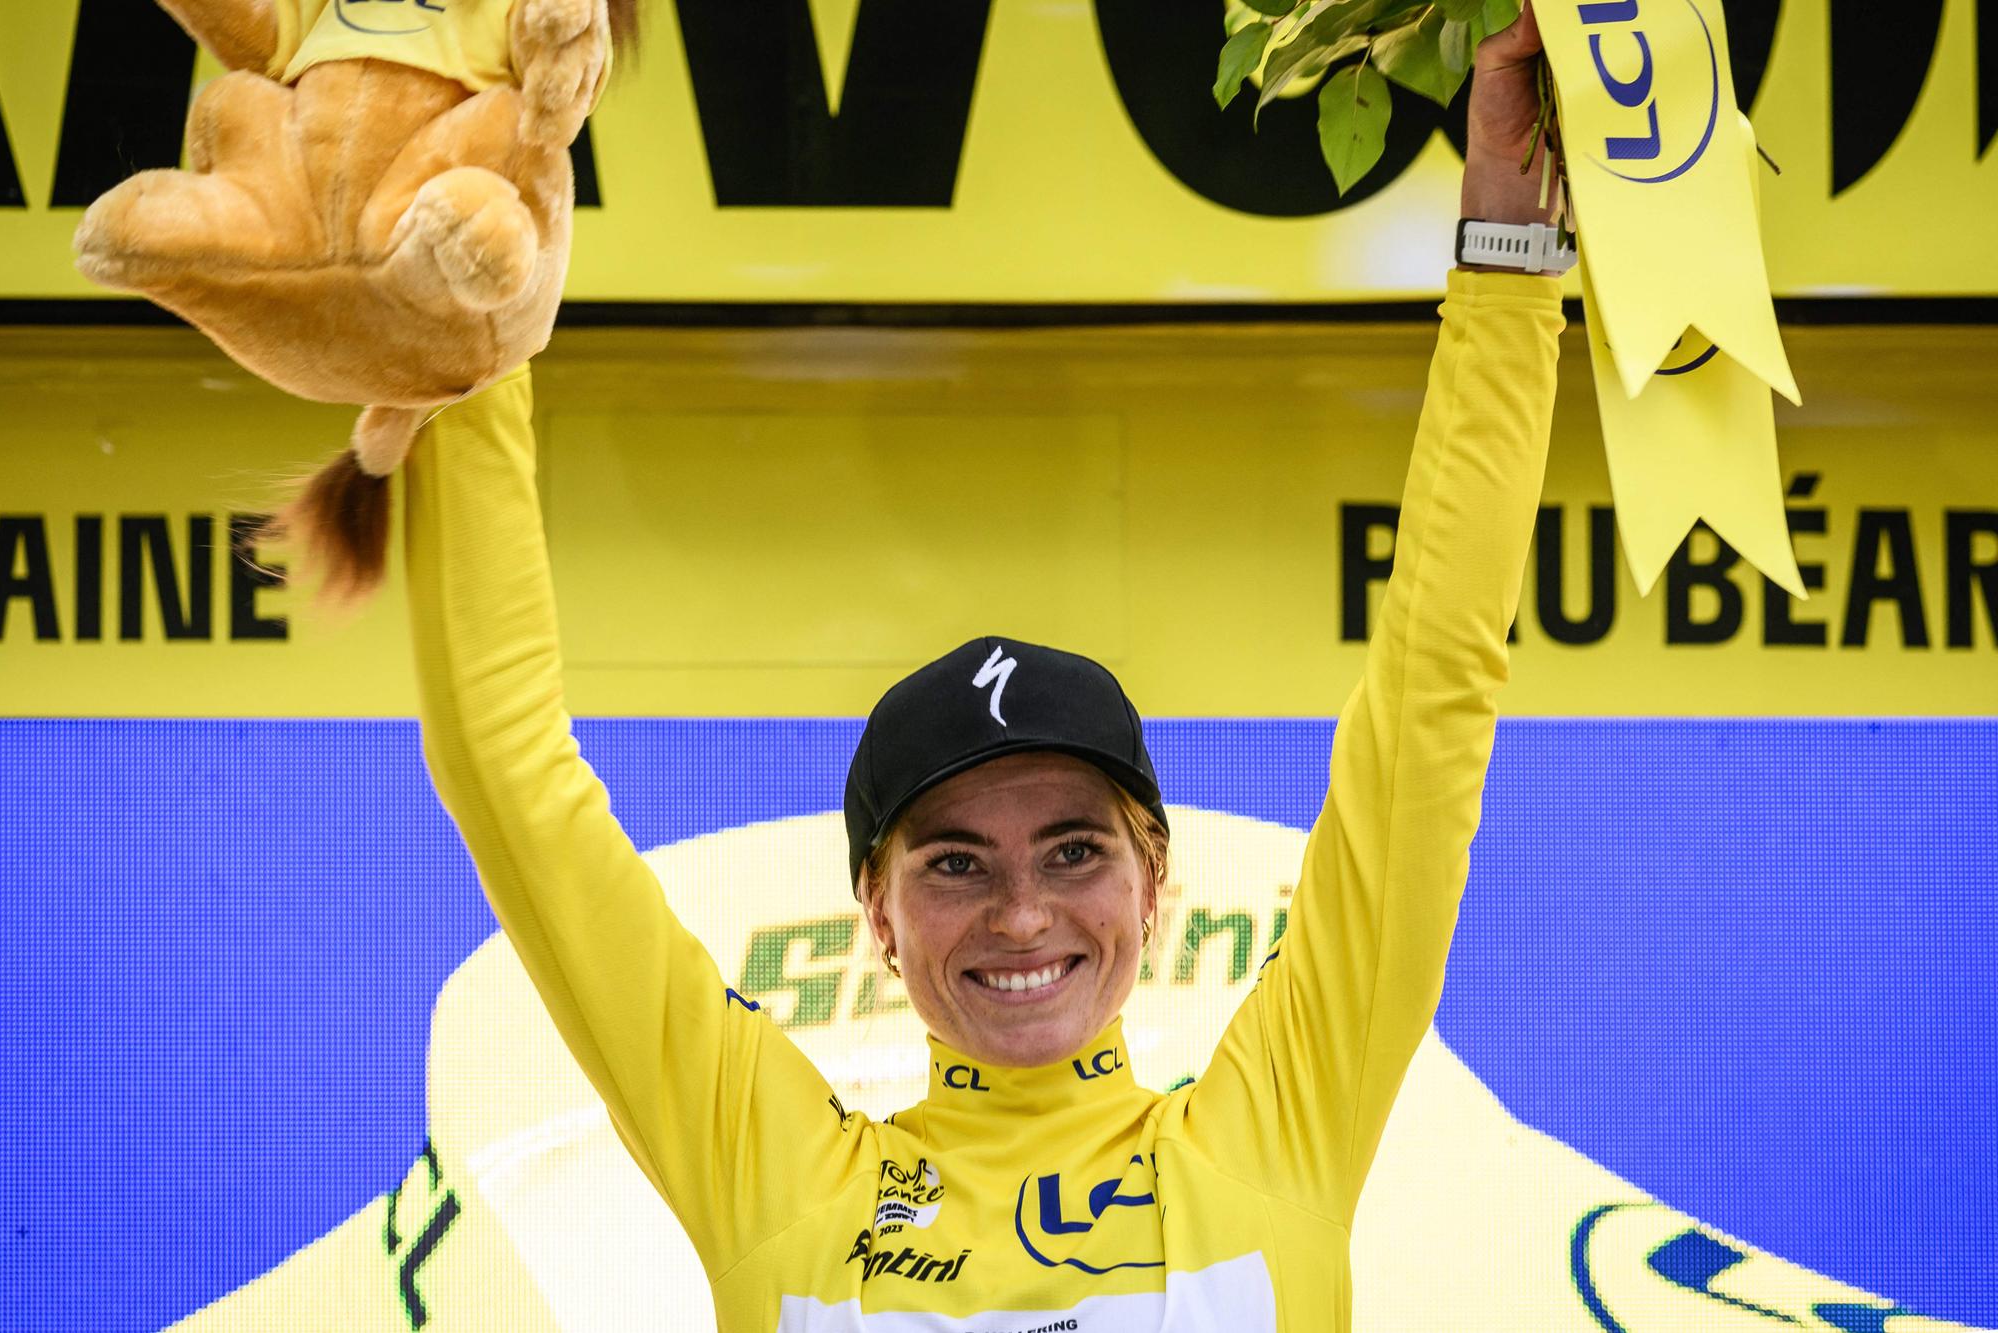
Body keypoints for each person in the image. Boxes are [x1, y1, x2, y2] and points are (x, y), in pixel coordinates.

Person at [401, 7, 1567, 1327]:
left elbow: (1432, 698)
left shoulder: (1279, 1129)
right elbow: (507, 772)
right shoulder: (777, 1180)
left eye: (1075, 849)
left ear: (1158, 879)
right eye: (955, 860)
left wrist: (1514, 250)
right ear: (877, 914)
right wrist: (464, 344)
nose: (1023, 914)